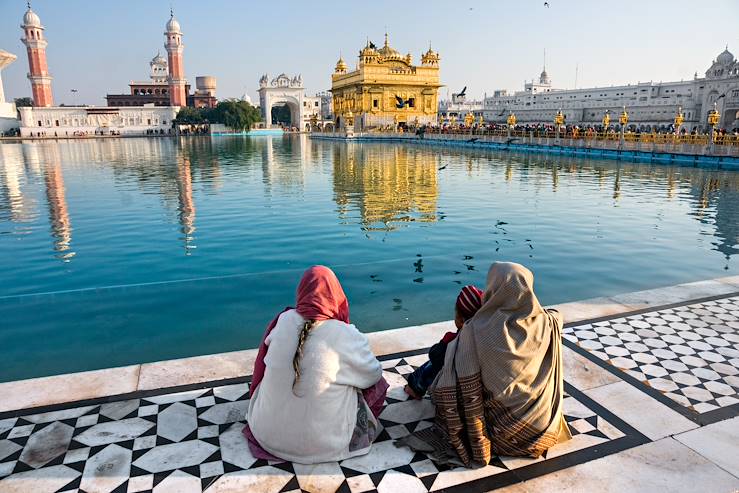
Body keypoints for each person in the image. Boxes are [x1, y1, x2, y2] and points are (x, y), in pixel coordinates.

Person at [397, 262, 571, 467]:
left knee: (454, 372)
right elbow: (555, 314)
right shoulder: (549, 323)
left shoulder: (476, 330)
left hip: (499, 435)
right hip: (542, 429)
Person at [245, 265, 388, 464]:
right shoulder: (346, 334)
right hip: (327, 445)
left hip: (265, 434)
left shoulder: (283, 320)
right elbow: (373, 375)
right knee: (375, 382)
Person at [404, 285, 484, 400]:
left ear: (461, 320)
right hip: (479, 391)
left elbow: (434, 355)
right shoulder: (486, 337)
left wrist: (441, 345)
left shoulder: (452, 339)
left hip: (452, 394)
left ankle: (414, 388)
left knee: (431, 365)